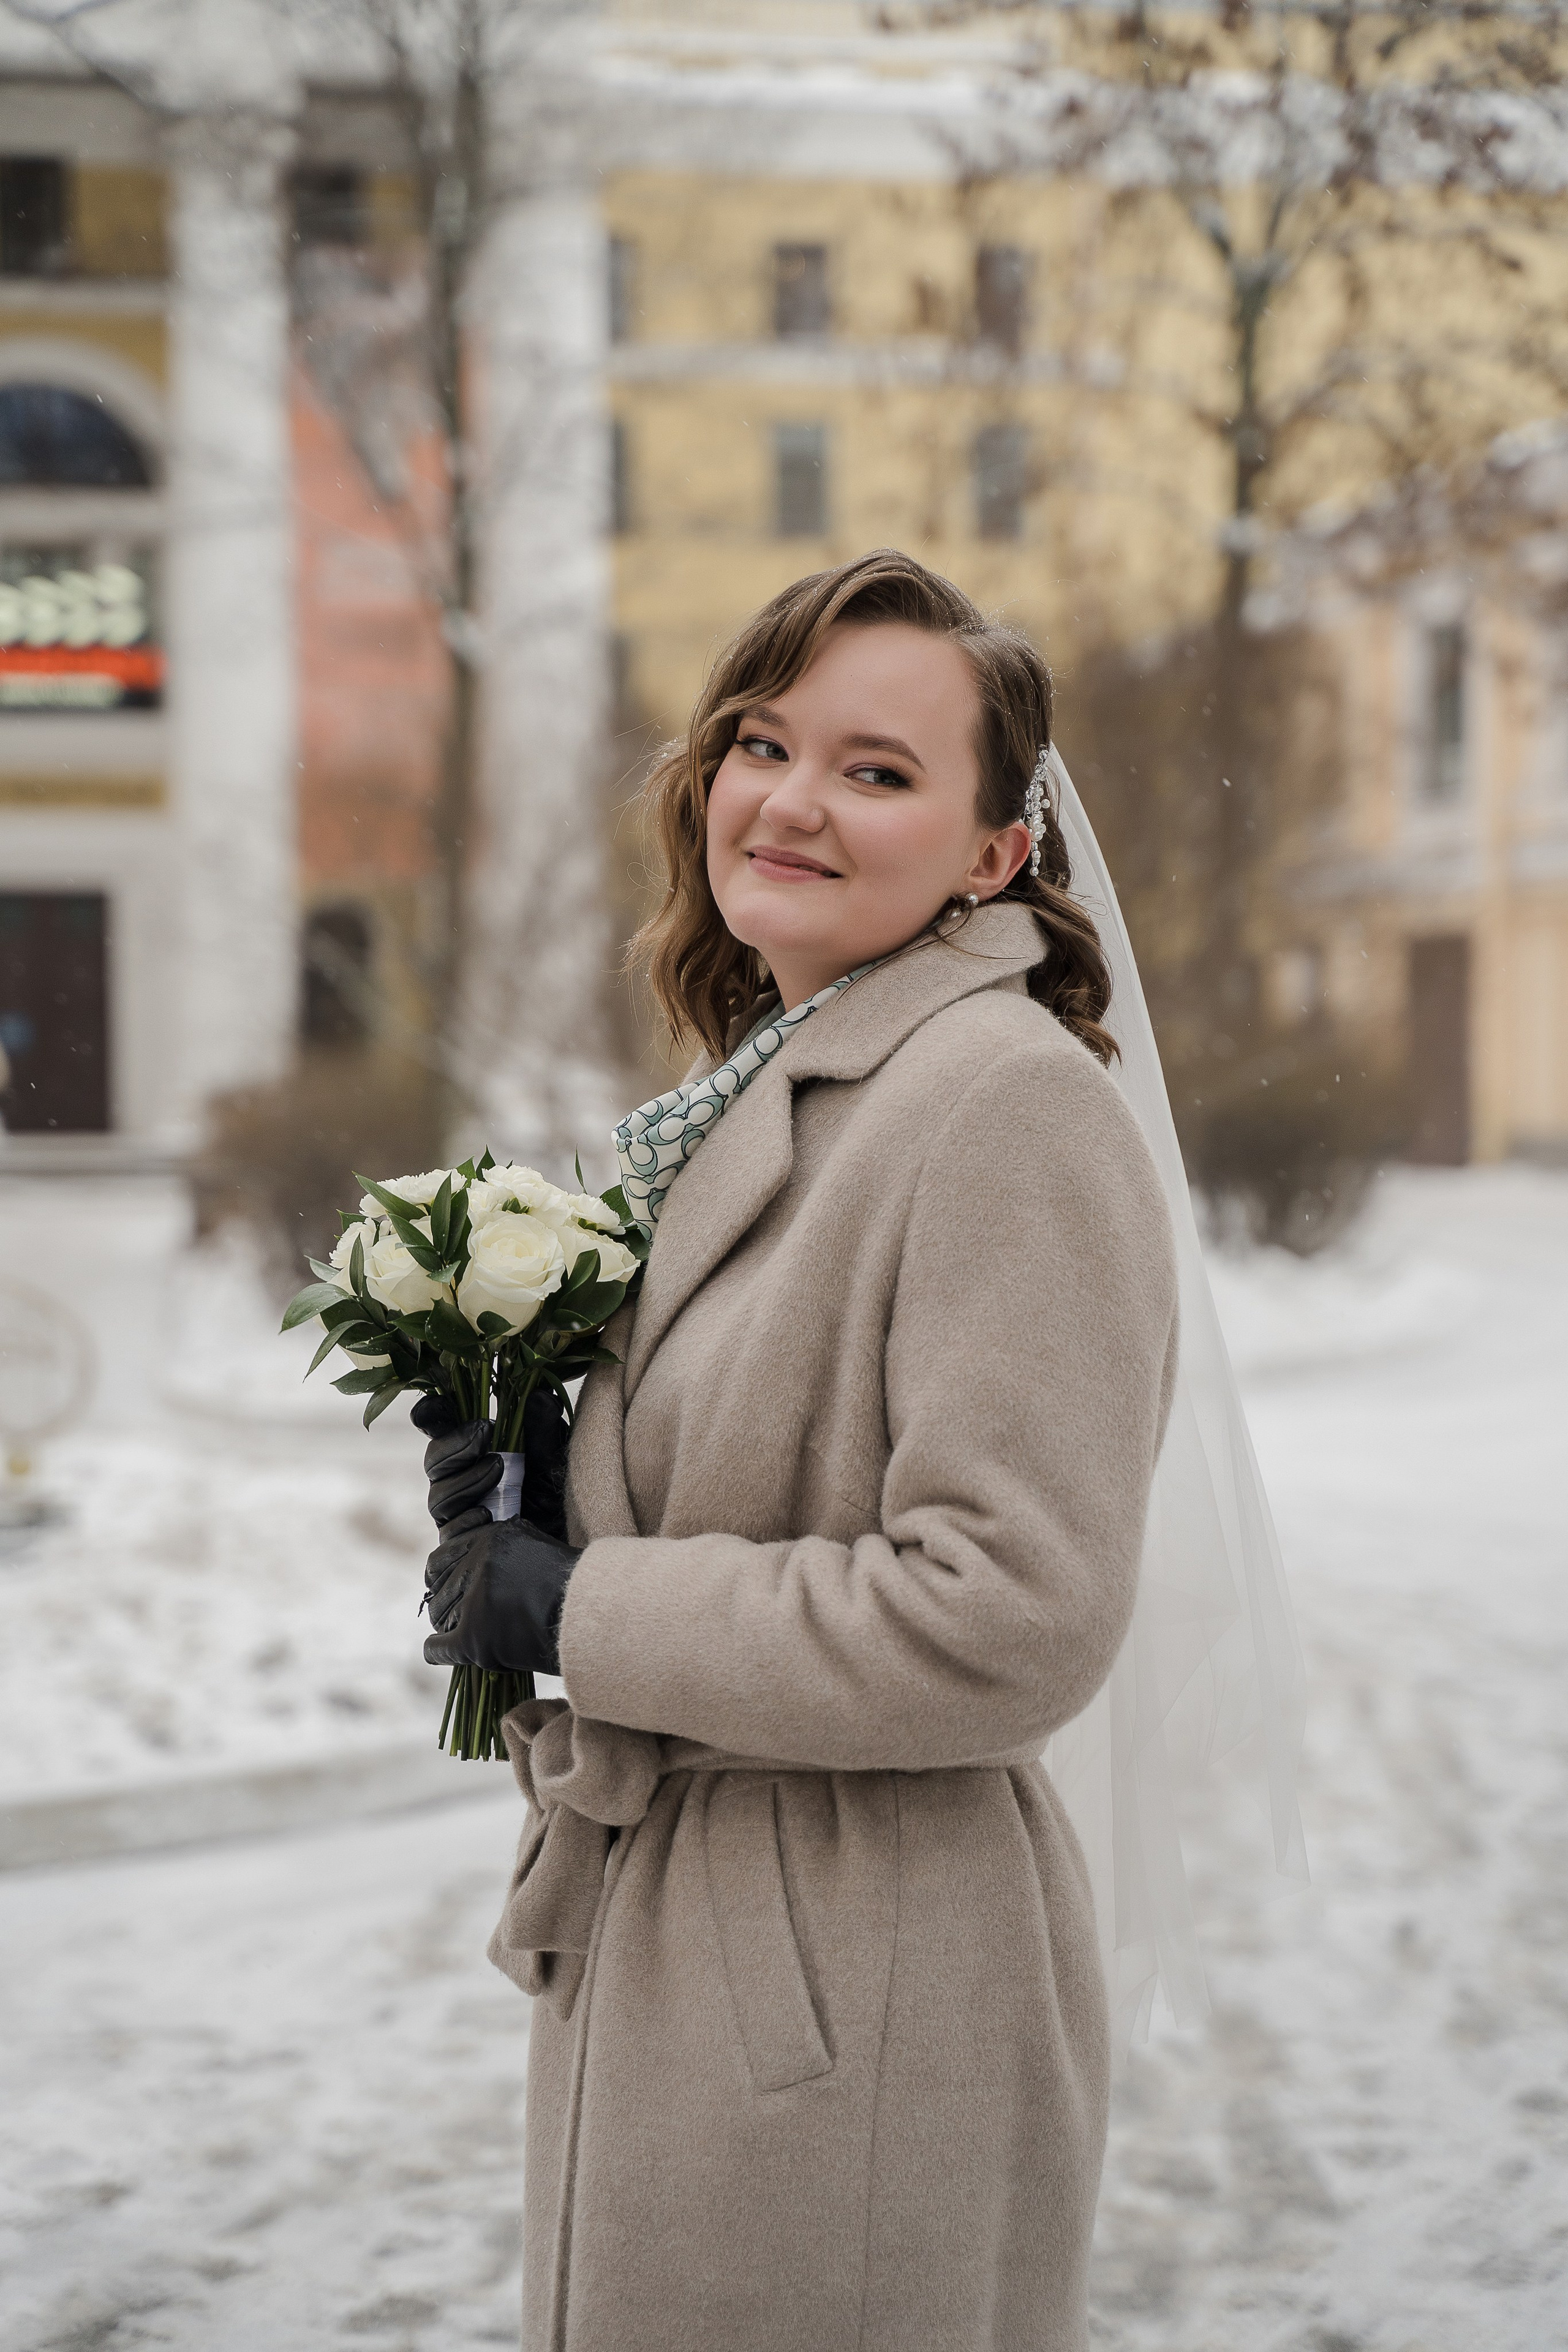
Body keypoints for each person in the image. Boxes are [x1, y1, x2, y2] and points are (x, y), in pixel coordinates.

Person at [417, 550, 1179, 2352]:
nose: (792, 800)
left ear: (1000, 855)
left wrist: (587, 1600)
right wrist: (523, 1496)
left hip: (856, 1982)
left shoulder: (1005, 1108)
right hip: (706, 1958)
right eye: (765, 742)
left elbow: (1012, 1616)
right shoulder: (770, 1086)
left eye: (881, 769)